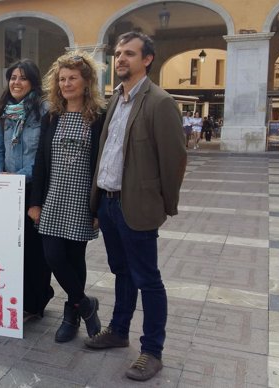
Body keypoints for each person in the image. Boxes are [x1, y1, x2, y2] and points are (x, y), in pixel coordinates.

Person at [86, 31, 187, 382]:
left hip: (137, 208)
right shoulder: (116, 100)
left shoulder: (159, 102)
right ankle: (118, 330)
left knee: (148, 279)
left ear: (147, 59)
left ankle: (152, 350)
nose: (120, 59)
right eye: (117, 54)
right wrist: (98, 202)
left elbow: (174, 161)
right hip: (110, 205)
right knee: (122, 273)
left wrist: (161, 207)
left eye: (129, 53)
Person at [27, 52, 104, 342]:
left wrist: (99, 207)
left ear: (86, 82)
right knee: (53, 256)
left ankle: (71, 316)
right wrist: (35, 201)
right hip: (53, 198)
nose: (66, 84)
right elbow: (40, 161)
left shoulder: (98, 117)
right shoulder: (52, 116)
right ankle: (86, 305)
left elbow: (101, 163)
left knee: (75, 259)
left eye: (73, 78)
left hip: (82, 200)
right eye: (62, 79)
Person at [0, 59, 54, 320]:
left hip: (34, 189)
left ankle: (36, 301)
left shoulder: (45, 110)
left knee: (35, 249)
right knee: (13, 248)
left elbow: (43, 156)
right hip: (8, 189)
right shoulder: (4, 112)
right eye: (13, 77)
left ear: (33, 82)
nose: (16, 82)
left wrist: (17, 177)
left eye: (22, 78)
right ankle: (20, 296)